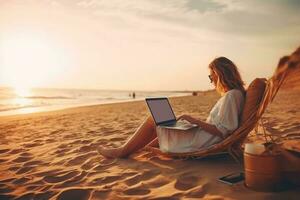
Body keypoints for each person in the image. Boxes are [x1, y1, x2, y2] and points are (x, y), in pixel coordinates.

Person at [99, 57, 245, 158]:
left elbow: (224, 132)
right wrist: (194, 123)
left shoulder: (231, 96)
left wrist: (193, 120)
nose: (211, 80)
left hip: (200, 142)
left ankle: (121, 152)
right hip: (203, 137)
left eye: (211, 76)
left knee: (154, 120)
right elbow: (222, 126)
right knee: (165, 122)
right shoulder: (235, 95)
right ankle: (140, 149)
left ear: (220, 75)